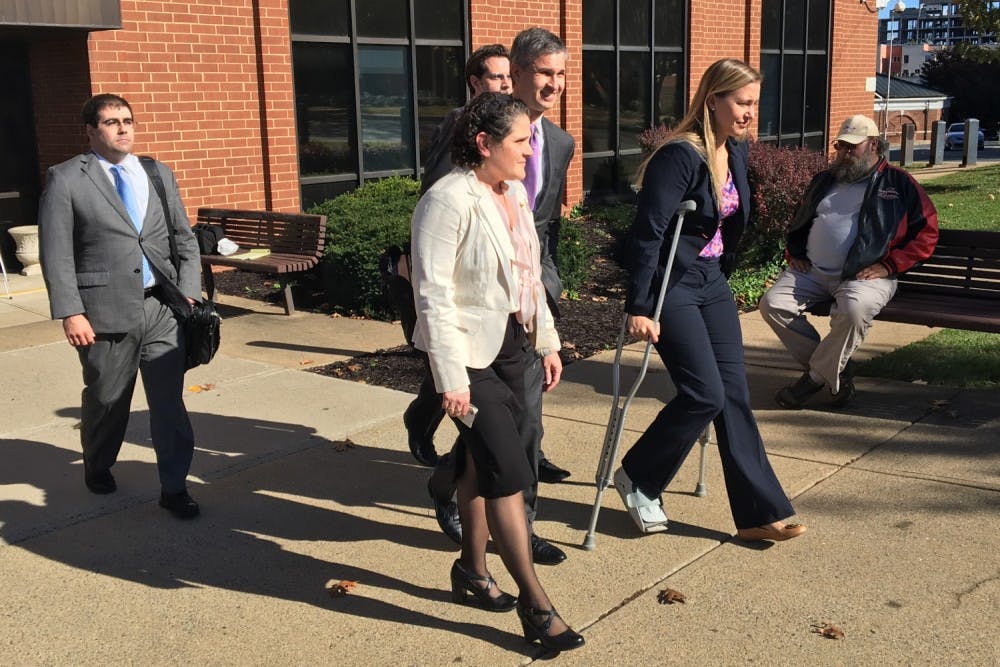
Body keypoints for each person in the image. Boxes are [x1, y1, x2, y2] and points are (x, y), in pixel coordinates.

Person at [410, 92, 584, 652]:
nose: (530, 153)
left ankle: (471, 571)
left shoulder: (509, 193)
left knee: (479, 463)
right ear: (484, 144)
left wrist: (548, 340)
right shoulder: (447, 199)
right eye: (519, 142)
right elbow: (431, 295)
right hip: (465, 356)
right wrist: (450, 378)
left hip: (513, 345)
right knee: (508, 468)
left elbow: (528, 276)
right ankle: (536, 606)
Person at [615, 59, 806, 542]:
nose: (748, 113)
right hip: (672, 284)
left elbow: (730, 221)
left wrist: (721, 271)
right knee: (705, 394)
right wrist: (639, 303)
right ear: (713, 100)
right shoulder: (680, 156)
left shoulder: (734, 151)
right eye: (741, 103)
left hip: (711, 281)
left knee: (734, 395)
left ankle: (759, 512)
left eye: (753, 104)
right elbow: (649, 232)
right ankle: (639, 477)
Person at [417, 29, 575, 565]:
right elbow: (441, 237)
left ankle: (477, 523)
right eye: (544, 74)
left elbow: (542, 230)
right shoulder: (467, 142)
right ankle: (514, 538)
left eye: (561, 74)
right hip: (473, 314)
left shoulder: (558, 142)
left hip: (524, 313)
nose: (554, 84)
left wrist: (547, 303)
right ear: (521, 72)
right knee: (508, 433)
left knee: (516, 425)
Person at [38, 93, 203, 518]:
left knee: (169, 404)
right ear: (91, 131)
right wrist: (70, 311)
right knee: (108, 401)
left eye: (127, 120)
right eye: (112, 122)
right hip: (102, 313)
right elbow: (55, 253)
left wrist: (189, 289)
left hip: (162, 309)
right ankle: (97, 463)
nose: (123, 128)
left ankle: (174, 487)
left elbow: (183, 236)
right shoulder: (66, 179)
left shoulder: (157, 172)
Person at [759, 114, 938, 409]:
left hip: (866, 276)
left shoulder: (898, 183)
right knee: (772, 304)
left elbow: (927, 232)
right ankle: (835, 369)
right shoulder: (824, 180)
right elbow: (800, 222)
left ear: (874, 146)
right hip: (813, 272)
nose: (843, 153)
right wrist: (796, 254)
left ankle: (813, 380)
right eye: (840, 146)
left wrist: (889, 266)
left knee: (854, 312)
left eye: (851, 147)